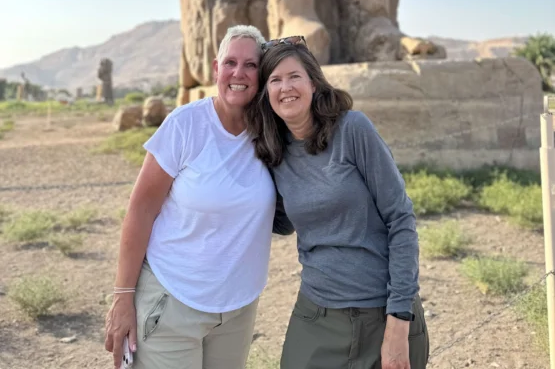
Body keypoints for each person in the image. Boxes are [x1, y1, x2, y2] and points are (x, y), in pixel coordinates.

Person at [105, 24, 292, 369]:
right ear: (215, 68)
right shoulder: (185, 125)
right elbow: (141, 209)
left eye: (251, 65)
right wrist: (122, 297)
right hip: (173, 302)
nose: (239, 73)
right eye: (230, 62)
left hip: (237, 310)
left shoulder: (272, 131)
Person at [247, 36, 429, 369]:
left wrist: (399, 319)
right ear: (266, 93)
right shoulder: (273, 154)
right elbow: (284, 222)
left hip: (384, 312)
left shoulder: (352, 130)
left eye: (294, 76)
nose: (285, 87)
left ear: (314, 83)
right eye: (275, 80)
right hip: (318, 313)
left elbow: (400, 219)